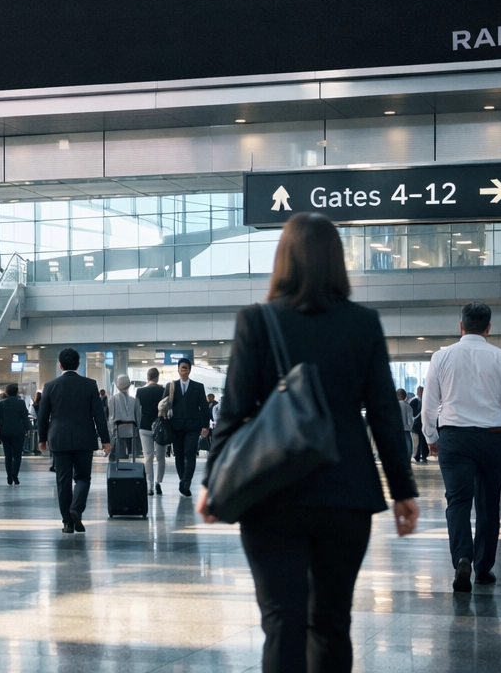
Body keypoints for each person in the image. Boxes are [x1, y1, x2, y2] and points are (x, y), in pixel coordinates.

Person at [197, 211, 418, 673]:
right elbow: (383, 413)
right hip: (347, 491)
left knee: (282, 621)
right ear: (337, 262)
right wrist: (402, 490)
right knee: (332, 622)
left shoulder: (257, 321)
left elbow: (233, 412)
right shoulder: (363, 322)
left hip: (270, 490)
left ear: (283, 260)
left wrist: (212, 482)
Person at [421, 301, 501, 591]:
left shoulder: (441, 357)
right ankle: (484, 568)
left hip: (454, 438)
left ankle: (462, 557)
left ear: (461, 326)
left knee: (457, 502)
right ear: (489, 328)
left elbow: (429, 403)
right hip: (492, 438)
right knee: (487, 505)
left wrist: (431, 437)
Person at [37, 348, 111, 534]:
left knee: (63, 481)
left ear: (60, 365)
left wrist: (42, 438)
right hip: (84, 437)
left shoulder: (50, 385)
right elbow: (98, 415)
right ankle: (76, 508)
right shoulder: (90, 385)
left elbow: (43, 416)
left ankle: (67, 523)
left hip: (58, 438)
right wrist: (106, 439)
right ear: (78, 364)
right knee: (83, 477)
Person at [161, 357, 210, 497]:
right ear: (178, 369)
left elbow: (204, 407)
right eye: (182, 367)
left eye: (186, 368)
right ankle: (182, 480)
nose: (184, 370)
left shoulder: (198, 387)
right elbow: (163, 406)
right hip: (175, 426)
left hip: (193, 426)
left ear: (190, 370)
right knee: (179, 455)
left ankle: (186, 482)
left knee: (190, 453)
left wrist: (205, 425)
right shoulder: (171, 386)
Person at [136, 367, 166, 495]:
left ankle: (149, 485)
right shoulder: (164, 390)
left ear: (147, 377)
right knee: (160, 457)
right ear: (157, 377)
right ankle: (158, 483)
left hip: (145, 426)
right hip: (161, 427)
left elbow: (138, 410)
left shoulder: (140, 391)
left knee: (148, 457)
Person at [0, 383, 31, 485]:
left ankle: (9, 476)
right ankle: (15, 475)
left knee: (8, 455)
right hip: (18, 431)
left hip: (5, 432)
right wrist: (28, 428)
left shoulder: (2, 403)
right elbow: (24, 417)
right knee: (17, 455)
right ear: (16, 392)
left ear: (7, 392)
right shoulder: (21, 403)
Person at [108, 375, 139, 461]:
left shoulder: (112, 400)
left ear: (117, 386)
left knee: (117, 451)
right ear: (129, 385)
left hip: (117, 431)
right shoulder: (134, 400)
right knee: (131, 452)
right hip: (132, 431)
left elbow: (111, 418)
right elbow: (137, 418)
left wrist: (111, 432)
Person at [396, 388, 414, 462]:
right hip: (406, 429)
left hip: (396, 429)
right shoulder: (408, 406)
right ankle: (408, 459)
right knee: (408, 443)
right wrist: (410, 427)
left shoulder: (393, 405)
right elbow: (410, 419)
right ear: (405, 396)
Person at [411, 387, 429, 462]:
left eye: (421, 391)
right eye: (419, 391)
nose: (419, 392)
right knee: (417, 440)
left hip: (424, 423)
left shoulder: (427, 401)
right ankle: (417, 455)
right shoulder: (414, 401)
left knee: (424, 440)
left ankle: (424, 455)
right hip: (417, 424)